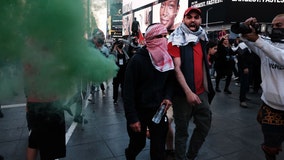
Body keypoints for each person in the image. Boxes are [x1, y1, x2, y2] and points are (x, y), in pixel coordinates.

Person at [167, 7, 215, 160]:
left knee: (204, 125)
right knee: (182, 131)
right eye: (190, 17)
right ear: (184, 20)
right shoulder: (175, 39)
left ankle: (190, 155)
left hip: (201, 93)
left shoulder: (201, 38)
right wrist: (188, 92)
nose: (193, 20)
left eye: (196, 17)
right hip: (182, 95)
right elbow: (177, 69)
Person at [123, 23, 174, 160]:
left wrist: (168, 97)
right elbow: (128, 92)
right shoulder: (137, 61)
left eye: (165, 36)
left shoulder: (166, 58)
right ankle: (130, 155)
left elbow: (170, 80)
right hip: (140, 111)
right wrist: (132, 118)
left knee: (158, 149)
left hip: (159, 111)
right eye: (159, 36)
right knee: (138, 144)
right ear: (150, 38)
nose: (164, 40)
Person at [241, 14, 284, 160]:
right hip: (271, 108)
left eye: (279, 25)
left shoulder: (265, 45)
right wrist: (246, 29)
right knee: (270, 148)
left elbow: (282, 58)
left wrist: (259, 41)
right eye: (273, 25)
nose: (274, 28)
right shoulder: (266, 45)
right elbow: (248, 41)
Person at [231, 37, 252, 108]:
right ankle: (242, 100)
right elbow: (241, 57)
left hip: (248, 66)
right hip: (244, 68)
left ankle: (244, 97)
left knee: (246, 83)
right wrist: (245, 67)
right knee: (244, 83)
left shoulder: (247, 44)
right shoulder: (243, 45)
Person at [111, 40, 129, 105]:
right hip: (117, 71)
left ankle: (123, 97)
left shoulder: (123, 51)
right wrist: (115, 48)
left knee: (123, 85)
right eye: (120, 44)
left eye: (122, 44)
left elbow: (127, 58)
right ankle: (115, 99)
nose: (122, 45)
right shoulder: (115, 52)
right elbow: (113, 58)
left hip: (123, 71)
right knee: (116, 85)